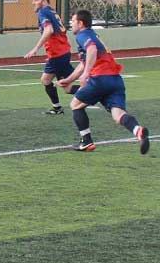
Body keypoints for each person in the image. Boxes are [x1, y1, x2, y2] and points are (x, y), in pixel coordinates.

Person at [61, 10, 149, 155]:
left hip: (100, 78)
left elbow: (92, 50)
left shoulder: (83, 35)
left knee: (75, 105)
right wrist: (69, 79)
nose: (71, 24)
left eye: (73, 21)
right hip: (115, 80)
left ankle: (86, 141)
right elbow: (85, 62)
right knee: (118, 114)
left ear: (81, 23)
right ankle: (138, 130)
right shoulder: (93, 35)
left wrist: (86, 74)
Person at [21, 0, 72, 113]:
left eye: (36, 0)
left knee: (67, 88)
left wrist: (35, 48)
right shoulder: (51, 11)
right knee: (46, 80)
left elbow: (48, 30)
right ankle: (57, 107)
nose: (33, 3)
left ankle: (97, 92)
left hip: (58, 53)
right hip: (60, 52)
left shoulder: (43, 12)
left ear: (44, 1)